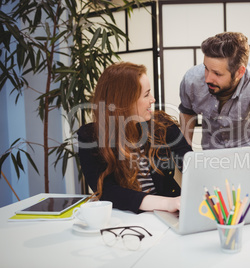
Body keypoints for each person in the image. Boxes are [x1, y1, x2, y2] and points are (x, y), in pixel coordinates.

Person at [78, 62, 192, 214]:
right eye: (146, 95)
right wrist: (166, 203)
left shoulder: (162, 126)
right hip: (124, 219)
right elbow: (106, 191)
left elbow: (190, 163)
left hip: (166, 216)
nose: (153, 99)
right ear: (124, 101)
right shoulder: (90, 137)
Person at [179, 32, 250, 150]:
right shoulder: (192, 79)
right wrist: (184, 155)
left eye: (217, 74)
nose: (207, 79)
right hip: (211, 153)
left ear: (240, 72)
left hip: (249, 151)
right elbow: (187, 113)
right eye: (206, 68)